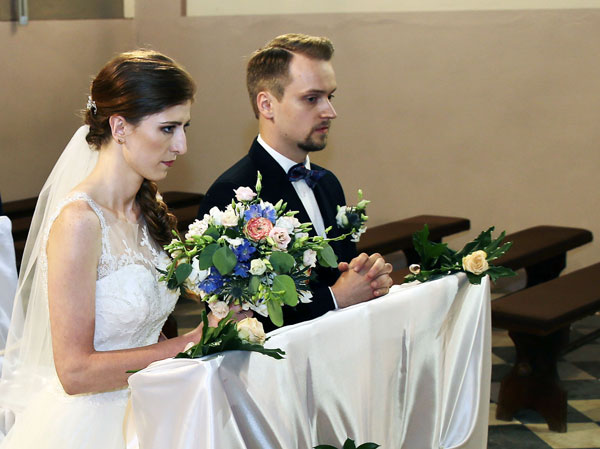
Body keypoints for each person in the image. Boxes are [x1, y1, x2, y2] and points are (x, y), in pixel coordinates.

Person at [0, 50, 201, 449]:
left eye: (184, 127)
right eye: (168, 128)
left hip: (156, 408)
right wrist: (187, 345)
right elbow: (75, 373)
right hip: (94, 425)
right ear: (120, 126)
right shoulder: (79, 222)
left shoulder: (148, 208)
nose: (181, 144)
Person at [198, 34, 393, 330]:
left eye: (330, 97)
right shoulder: (231, 196)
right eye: (312, 99)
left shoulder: (327, 183)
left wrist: (367, 277)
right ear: (267, 105)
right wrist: (335, 297)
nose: (330, 112)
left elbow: (340, 274)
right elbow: (231, 316)